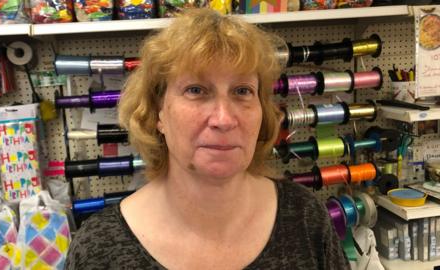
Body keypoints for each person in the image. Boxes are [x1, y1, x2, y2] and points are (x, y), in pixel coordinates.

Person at [66, 8, 350, 270]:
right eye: (196, 90)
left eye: (242, 91)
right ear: (158, 113)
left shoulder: (305, 217)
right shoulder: (99, 249)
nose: (224, 119)